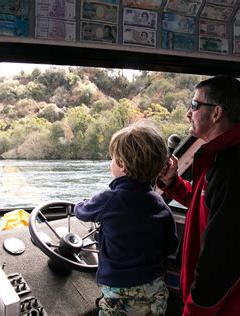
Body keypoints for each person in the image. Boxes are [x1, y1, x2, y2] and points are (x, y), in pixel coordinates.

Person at [157, 76, 240, 315]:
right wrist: (173, 183)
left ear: (215, 113)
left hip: (238, 305)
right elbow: (208, 204)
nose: (188, 113)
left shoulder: (236, 167)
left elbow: (223, 259)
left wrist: (195, 310)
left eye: (194, 105)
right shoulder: (223, 156)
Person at [74, 120, 179, 315]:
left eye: (112, 158)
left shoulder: (108, 199)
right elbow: (170, 245)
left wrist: (80, 203)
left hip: (118, 293)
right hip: (155, 290)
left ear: (121, 164)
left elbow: (81, 211)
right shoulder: (160, 204)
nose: (110, 163)